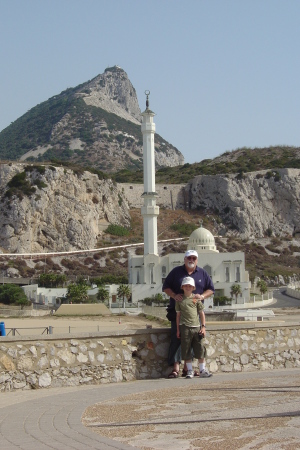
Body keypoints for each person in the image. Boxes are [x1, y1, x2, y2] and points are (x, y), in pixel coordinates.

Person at [163, 249, 214, 378]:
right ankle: (175, 369)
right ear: (184, 259)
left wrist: (202, 296)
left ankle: (187, 369)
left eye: (194, 258)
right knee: (176, 339)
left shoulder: (202, 273)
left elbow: (211, 289)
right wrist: (174, 296)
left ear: (197, 260)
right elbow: (166, 287)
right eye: (189, 258)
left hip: (194, 316)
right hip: (178, 312)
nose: (191, 260)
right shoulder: (176, 272)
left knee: (192, 342)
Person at [176, 276, 210, 378]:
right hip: (185, 327)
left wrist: (203, 327)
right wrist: (178, 330)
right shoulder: (179, 300)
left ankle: (202, 369)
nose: (188, 288)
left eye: (190, 286)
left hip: (196, 327)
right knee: (186, 349)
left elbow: (201, 313)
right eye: (186, 286)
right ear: (182, 287)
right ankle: (189, 370)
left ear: (193, 287)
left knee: (200, 348)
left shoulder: (196, 298)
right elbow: (178, 315)